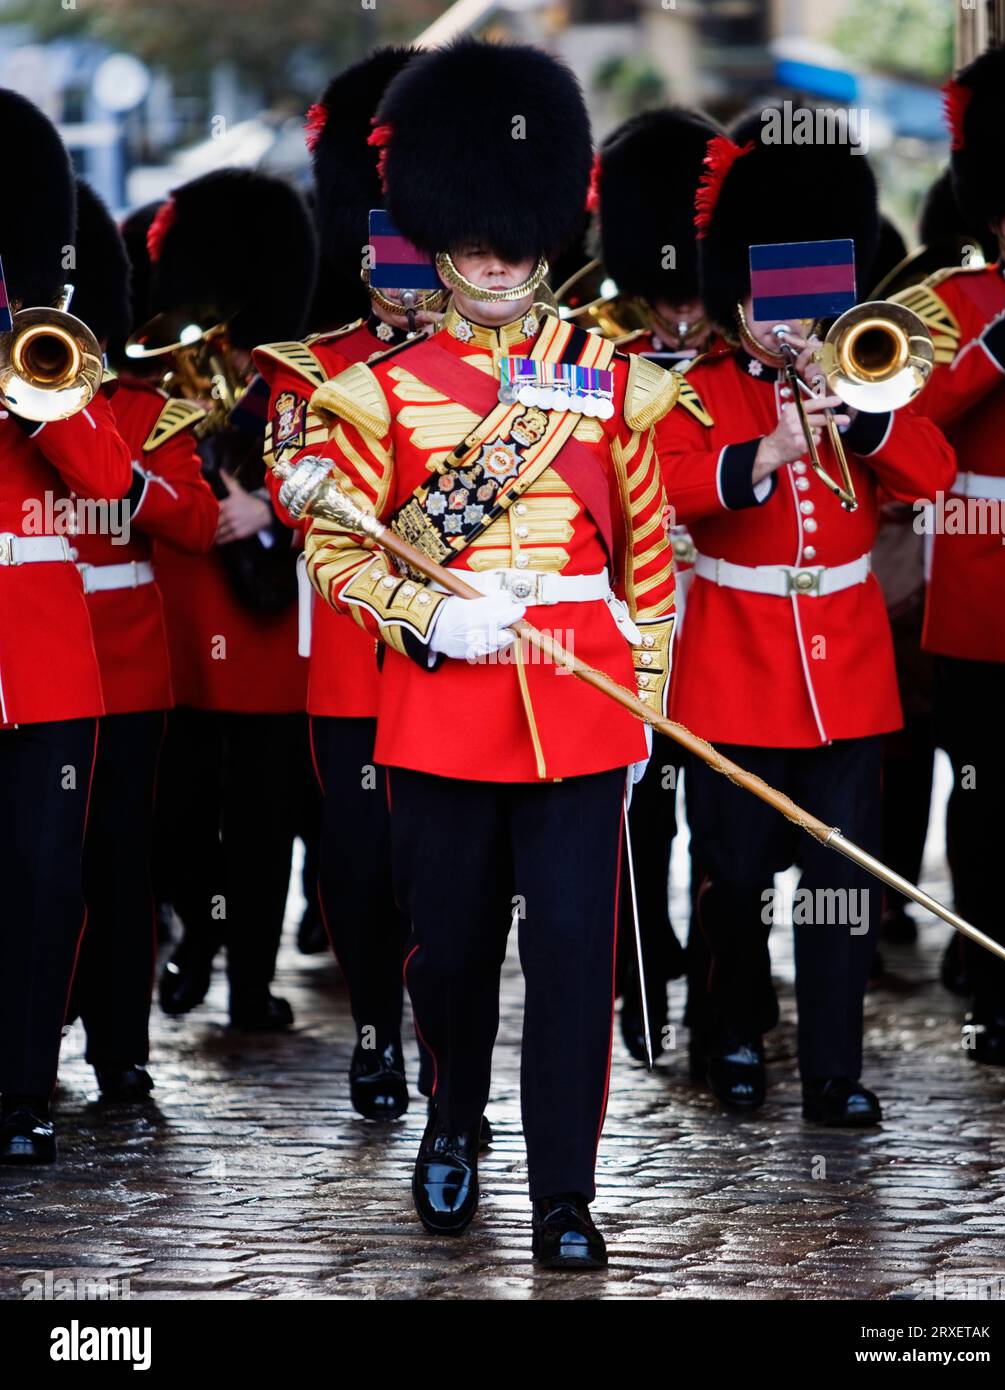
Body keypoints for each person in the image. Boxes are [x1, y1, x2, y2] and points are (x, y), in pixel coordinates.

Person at [287, 38, 678, 1268]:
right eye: (475, 236)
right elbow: (339, 559)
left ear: (547, 230)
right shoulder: (377, 397)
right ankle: (452, 1117)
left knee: (571, 957)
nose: (498, 259)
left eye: (516, 236)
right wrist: (430, 617)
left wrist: (642, 714)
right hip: (445, 703)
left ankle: (564, 1190)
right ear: (437, 233)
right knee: (448, 947)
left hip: (580, 700)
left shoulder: (608, 383)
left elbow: (652, 565)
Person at [656, 113, 956, 1125]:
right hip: (733, 668)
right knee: (731, 875)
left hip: (847, 671)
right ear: (735, 297)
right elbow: (659, 489)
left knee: (841, 883)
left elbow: (932, 472)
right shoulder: (696, 394)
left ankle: (833, 1065)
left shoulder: (863, 379)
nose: (790, 323)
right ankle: (730, 1035)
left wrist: (860, 414)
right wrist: (770, 453)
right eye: (770, 300)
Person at [255, 47, 441, 1119]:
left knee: (447, 881)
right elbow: (294, 488)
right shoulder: (311, 370)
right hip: (355, 666)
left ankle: (442, 1051)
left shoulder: (503, 370)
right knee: (363, 871)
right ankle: (376, 1034)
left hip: (458, 658)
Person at [888, 44, 1005, 1061]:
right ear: (991, 213)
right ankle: (989, 982)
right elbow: (910, 434)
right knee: (982, 804)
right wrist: (1002, 346)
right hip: (990, 584)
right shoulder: (953, 307)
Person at [142, 170, 317, 1030]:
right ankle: (200, 939)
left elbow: (338, 482)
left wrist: (268, 508)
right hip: (182, 632)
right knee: (177, 814)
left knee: (262, 822)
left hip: (266, 639)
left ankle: (250, 981)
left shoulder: (301, 389)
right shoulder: (169, 384)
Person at [0, 92, 132, 1163]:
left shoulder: (47, 357)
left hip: (43, 664)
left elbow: (107, 484)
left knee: (45, 881)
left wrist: (32, 390)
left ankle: (22, 1087)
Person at [65, 180, 217, 1102]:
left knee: (120, 866)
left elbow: (196, 523)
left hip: (120, 673)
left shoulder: (143, 410)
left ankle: (120, 1043)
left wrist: (116, 476)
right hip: (27, 669)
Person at [592, 106, 721, 1062]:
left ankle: (719, 1001)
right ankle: (641, 986)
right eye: (667, 298)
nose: (682, 311)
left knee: (718, 823)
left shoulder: (743, 367)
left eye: (694, 297)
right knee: (640, 810)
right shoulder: (605, 369)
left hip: (724, 630)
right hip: (632, 623)